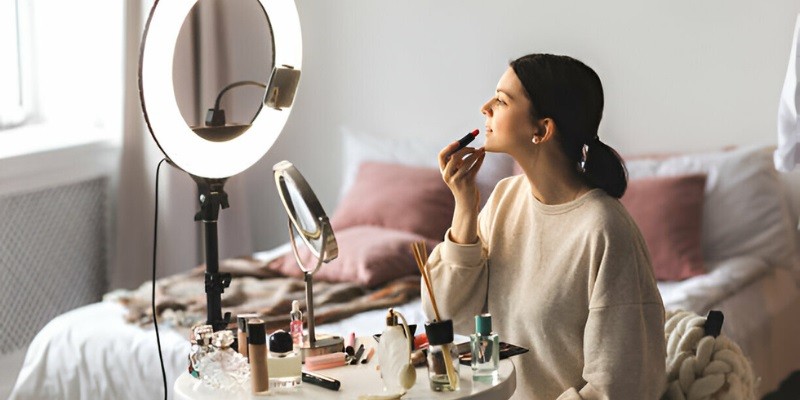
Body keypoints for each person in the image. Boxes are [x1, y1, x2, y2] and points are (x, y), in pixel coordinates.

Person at [422, 53, 666, 399]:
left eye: (502, 100)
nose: (484, 108)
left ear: (541, 129)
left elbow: (619, 386)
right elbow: (446, 316)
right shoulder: (506, 198)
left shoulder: (605, 230)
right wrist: (465, 207)